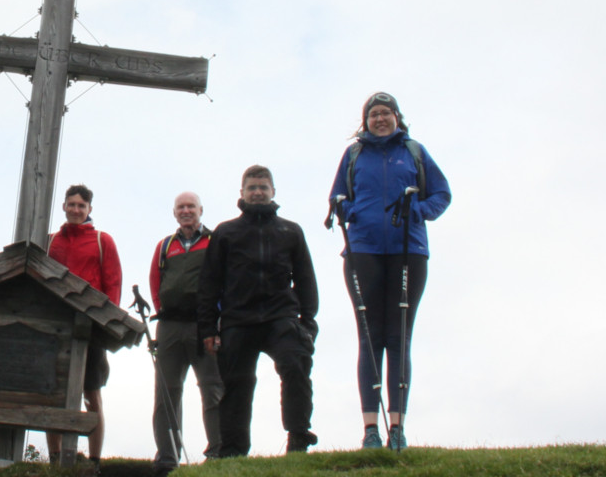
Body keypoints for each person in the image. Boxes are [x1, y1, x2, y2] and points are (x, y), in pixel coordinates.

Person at [328, 92, 451, 450]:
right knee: (369, 337)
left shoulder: (414, 151)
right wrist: (347, 211)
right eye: (374, 114)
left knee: (399, 336)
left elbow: (442, 193)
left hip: (408, 250)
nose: (380, 119)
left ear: (397, 117)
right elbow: (337, 195)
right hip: (363, 250)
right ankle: (370, 430)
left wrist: (420, 211)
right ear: (365, 121)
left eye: (386, 113)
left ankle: (397, 427)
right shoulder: (353, 155)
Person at [198, 165, 319, 457]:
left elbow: (306, 280)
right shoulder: (226, 233)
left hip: (282, 318)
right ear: (241, 193)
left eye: (263, 187)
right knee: (237, 385)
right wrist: (208, 329)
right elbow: (209, 284)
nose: (257, 192)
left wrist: (308, 325)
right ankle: (234, 452)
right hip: (238, 320)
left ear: (273, 192)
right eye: (252, 187)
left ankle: (298, 437)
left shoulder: (291, 231)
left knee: (296, 366)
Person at [45, 184, 122, 472]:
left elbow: (112, 284)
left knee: (92, 394)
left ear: (90, 210)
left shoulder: (103, 241)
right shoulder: (50, 241)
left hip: (91, 330)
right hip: (54, 329)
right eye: (72, 204)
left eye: (82, 206)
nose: (76, 210)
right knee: (54, 394)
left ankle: (94, 461)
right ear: (64, 207)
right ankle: (55, 460)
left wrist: (107, 326)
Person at [148, 192, 223, 476]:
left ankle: (217, 452)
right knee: (166, 393)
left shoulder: (215, 242)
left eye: (191, 206)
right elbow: (156, 282)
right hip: (168, 327)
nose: (186, 211)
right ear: (174, 212)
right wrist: (161, 309)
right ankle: (167, 457)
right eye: (181, 207)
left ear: (201, 210)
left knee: (212, 389)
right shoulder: (165, 245)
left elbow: (224, 281)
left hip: (205, 326)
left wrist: (218, 323)